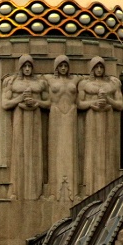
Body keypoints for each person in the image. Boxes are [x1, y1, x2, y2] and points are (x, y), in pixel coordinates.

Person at [2, 54, 49, 199]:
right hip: (19, 118)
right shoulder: (11, 82)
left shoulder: (40, 83)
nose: (28, 69)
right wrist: (20, 99)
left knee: (35, 151)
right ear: (21, 67)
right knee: (19, 152)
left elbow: (48, 103)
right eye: (25, 66)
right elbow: (5, 104)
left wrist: (36, 102)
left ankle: (36, 192)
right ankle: (18, 190)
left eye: (30, 66)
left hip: (35, 119)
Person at [77, 56, 123, 193]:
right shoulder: (84, 84)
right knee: (92, 149)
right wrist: (94, 103)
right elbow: (79, 104)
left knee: (108, 151)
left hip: (108, 119)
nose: (99, 69)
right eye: (96, 67)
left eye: (101, 67)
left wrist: (108, 100)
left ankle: (107, 186)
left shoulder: (113, 84)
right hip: (92, 118)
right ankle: (90, 187)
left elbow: (120, 105)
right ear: (91, 68)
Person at [46, 55, 80, 200]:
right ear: (56, 67)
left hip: (71, 115)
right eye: (61, 66)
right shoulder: (49, 80)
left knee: (71, 149)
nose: (64, 68)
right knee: (56, 149)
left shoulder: (76, 80)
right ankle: (54, 191)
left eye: (66, 65)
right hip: (56, 115)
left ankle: (74, 191)